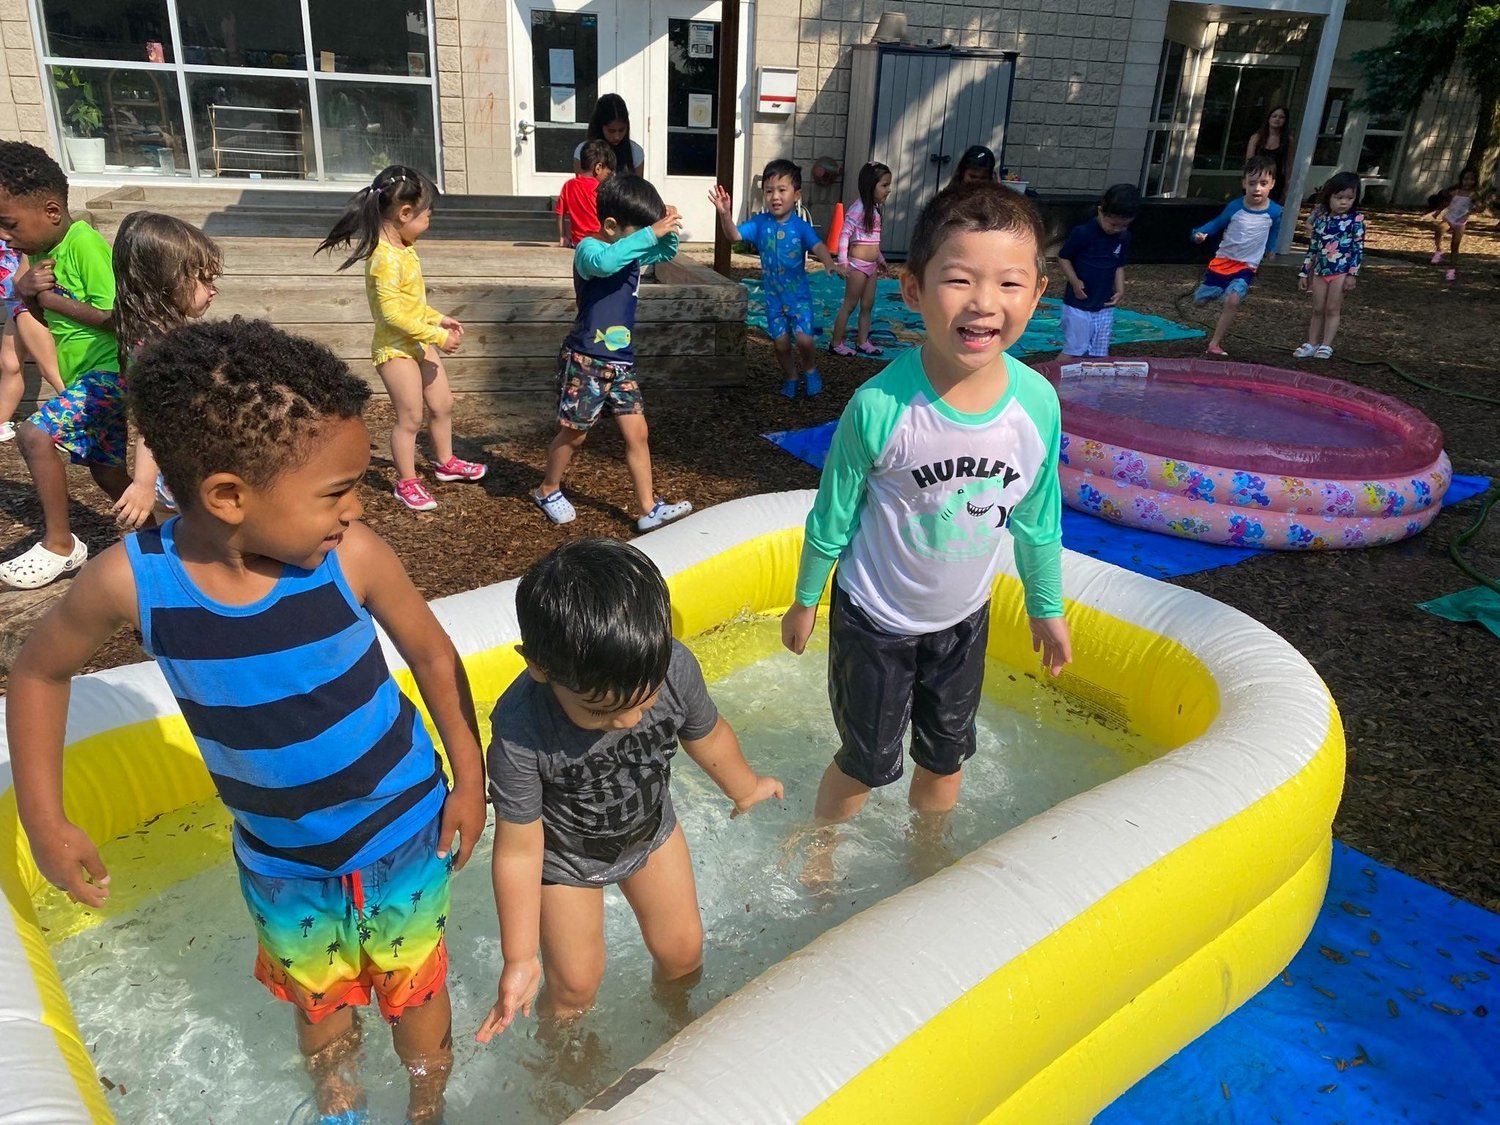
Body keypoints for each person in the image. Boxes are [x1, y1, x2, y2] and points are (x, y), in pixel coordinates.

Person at [6, 319, 488, 1125]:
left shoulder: (353, 556)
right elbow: (39, 670)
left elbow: (436, 658)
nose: (356, 507)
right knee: (318, 999)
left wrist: (469, 780)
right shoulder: (135, 582)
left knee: (415, 986)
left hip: (403, 824)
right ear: (230, 495)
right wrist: (44, 818)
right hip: (280, 856)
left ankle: (427, 1101)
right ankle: (341, 1107)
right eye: (335, 492)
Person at [780, 184, 1072, 878]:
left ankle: (927, 858)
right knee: (868, 760)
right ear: (911, 289)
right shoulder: (881, 405)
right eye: (959, 279)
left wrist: (1046, 603)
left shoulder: (1035, 405)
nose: (983, 302)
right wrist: (805, 596)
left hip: (962, 619)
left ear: (1036, 295)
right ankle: (821, 847)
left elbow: (1037, 513)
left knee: (947, 754)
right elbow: (834, 511)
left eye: (1008, 282)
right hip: (875, 617)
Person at [474, 538, 782, 1041]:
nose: (629, 719)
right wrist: (520, 956)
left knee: (683, 953)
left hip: (650, 833)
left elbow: (708, 732)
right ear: (539, 667)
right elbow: (518, 851)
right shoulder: (519, 731)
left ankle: (676, 1031)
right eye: (600, 710)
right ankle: (566, 1063)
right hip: (566, 861)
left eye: (646, 699)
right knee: (575, 987)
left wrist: (744, 787)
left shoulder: (670, 666)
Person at [316, 164, 486, 513]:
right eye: (427, 215)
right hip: (395, 350)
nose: (429, 222)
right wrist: (437, 335)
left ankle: (445, 462)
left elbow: (412, 305)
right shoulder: (383, 259)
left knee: (442, 404)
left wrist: (439, 318)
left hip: (417, 342)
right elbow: (393, 316)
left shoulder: (406, 249)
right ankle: (406, 482)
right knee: (410, 418)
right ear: (404, 213)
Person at [531, 175, 694, 532]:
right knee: (576, 433)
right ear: (610, 226)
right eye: (639, 231)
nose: (644, 238)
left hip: (622, 363)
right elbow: (605, 265)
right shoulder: (589, 250)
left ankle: (648, 507)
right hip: (586, 359)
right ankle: (547, 488)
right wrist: (649, 235)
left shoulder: (632, 248)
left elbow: (666, 251)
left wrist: (664, 228)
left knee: (638, 433)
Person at [0, 141, 121, 590]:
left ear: (51, 210)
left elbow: (118, 318)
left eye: (9, 224)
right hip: (83, 377)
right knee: (106, 471)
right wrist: (27, 292)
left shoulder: (85, 243)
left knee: (33, 433)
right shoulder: (40, 251)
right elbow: (35, 317)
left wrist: (47, 298)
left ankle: (60, 545)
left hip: (111, 373)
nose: (5, 236)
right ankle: (165, 538)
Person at [107, 211, 223, 529]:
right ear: (165, 281)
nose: (213, 290)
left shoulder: (160, 334)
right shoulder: (156, 348)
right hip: (183, 477)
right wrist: (143, 484)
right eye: (204, 279)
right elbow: (153, 420)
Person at [710, 160, 841, 399]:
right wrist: (725, 214)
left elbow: (819, 245)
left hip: (799, 298)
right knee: (780, 345)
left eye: (782, 190)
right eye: (769, 191)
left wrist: (829, 263)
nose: (775, 197)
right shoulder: (760, 224)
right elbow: (734, 236)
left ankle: (810, 370)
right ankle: (791, 376)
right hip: (773, 300)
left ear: (796, 194)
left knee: (804, 341)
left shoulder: (800, 226)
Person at [1190, 155, 1282, 358]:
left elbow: (1274, 230)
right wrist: (1200, 233)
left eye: (1263, 183)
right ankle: (1210, 292)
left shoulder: (1275, 211)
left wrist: (1271, 248)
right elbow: (1217, 223)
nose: (1257, 188)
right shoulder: (1235, 207)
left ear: (1272, 184)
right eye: (1252, 183)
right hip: (1223, 261)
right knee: (1199, 301)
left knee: (1233, 300)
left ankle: (1215, 343)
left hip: (1246, 266)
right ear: (1244, 184)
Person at [1055, 183, 1140, 364]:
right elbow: (1063, 258)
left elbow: (1118, 265)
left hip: (1104, 304)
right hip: (1078, 304)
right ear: (1101, 211)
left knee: (1100, 353)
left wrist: (1120, 289)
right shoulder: (1084, 233)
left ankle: (1093, 389)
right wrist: (1075, 281)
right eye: (1113, 224)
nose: (1116, 229)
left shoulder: (1124, 237)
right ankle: (1049, 382)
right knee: (1075, 350)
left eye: (1123, 225)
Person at [1294, 172, 1364, 360]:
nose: (1344, 202)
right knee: (1318, 308)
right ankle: (1311, 342)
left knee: (1332, 309)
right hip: (1320, 271)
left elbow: (1358, 249)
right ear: (1329, 196)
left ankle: (1326, 345)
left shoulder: (1355, 221)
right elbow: (1313, 248)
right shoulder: (1321, 220)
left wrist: (1352, 274)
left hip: (1340, 272)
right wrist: (1304, 273)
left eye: (1349, 198)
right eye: (1339, 197)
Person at [0, 237, 64, 443]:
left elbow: (31, 249)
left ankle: (82, 420)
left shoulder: (14, 225)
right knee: (9, 365)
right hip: (13, 303)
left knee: (50, 369)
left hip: (26, 303)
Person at [829, 161, 893, 358]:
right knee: (850, 304)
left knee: (867, 305)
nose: (888, 190)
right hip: (857, 266)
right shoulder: (858, 208)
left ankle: (862, 341)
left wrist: (880, 258)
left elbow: (872, 240)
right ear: (869, 185)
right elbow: (845, 234)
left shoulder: (874, 210)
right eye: (884, 185)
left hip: (871, 267)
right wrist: (842, 261)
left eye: (889, 185)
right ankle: (836, 343)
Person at [1429, 166, 1488, 283]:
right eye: (1466, 179)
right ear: (1461, 179)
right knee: (1439, 229)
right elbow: (1447, 202)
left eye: (1471, 179)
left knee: (1454, 246)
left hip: (1460, 221)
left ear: (1475, 181)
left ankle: (1451, 270)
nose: (1468, 182)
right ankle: (1439, 250)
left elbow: (1479, 207)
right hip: (1450, 217)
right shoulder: (1455, 191)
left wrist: (1469, 213)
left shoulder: (1473, 195)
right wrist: (1438, 211)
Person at [557, 139, 616, 248]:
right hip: (600, 242)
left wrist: (562, 236)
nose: (609, 178)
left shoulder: (568, 186)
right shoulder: (602, 188)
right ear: (598, 168)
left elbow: (560, 214)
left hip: (578, 243)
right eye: (608, 174)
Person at [573, 94, 644, 177]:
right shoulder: (582, 151)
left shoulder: (635, 151)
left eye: (621, 130)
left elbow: (638, 188)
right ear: (599, 126)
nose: (617, 136)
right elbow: (581, 186)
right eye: (611, 131)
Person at [1245, 105, 1293, 205]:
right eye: (1274, 116)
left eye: (1281, 117)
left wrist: (1287, 187)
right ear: (1269, 118)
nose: (1277, 119)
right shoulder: (1256, 138)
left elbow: (1289, 165)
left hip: (1276, 181)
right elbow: (1249, 162)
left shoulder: (1288, 140)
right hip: (1256, 179)